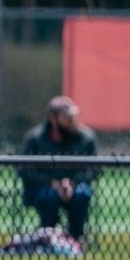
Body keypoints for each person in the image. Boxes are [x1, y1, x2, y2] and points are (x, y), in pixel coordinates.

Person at [17, 96, 98, 241]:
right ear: (53, 118)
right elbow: (24, 169)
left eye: (73, 117)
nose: (72, 121)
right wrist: (51, 183)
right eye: (67, 118)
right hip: (43, 187)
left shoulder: (86, 138)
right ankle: (47, 238)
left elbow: (94, 169)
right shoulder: (35, 138)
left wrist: (72, 182)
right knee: (48, 196)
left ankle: (76, 238)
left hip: (75, 186)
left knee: (82, 194)